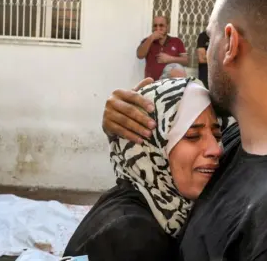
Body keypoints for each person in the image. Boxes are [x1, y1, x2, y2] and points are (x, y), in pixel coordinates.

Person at [102, 0, 267, 260]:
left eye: (210, 34)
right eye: (195, 135)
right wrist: (133, 131)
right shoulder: (239, 138)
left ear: (230, 43)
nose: (210, 147)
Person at [63, 78, 222, 261]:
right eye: (193, 136)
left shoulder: (157, 208)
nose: (216, 149)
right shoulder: (134, 239)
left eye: (217, 135)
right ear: (151, 147)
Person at [136, 16, 188, 80]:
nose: (158, 28)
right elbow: (139, 55)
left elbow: (186, 61)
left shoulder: (177, 41)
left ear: (167, 27)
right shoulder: (147, 41)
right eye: (155, 26)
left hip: (171, 84)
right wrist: (151, 38)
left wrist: (170, 59)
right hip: (151, 84)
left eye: (161, 25)